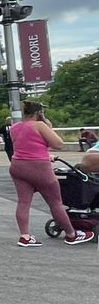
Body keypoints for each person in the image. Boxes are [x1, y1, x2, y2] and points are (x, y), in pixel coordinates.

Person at [7, 101, 94, 247]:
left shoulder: (14, 128)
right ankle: (71, 234)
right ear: (38, 113)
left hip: (17, 166)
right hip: (39, 167)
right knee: (55, 202)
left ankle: (25, 236)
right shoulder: (40, 125)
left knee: (23, 202)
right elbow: (58, 144)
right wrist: (49, 127)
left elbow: (27, 146)